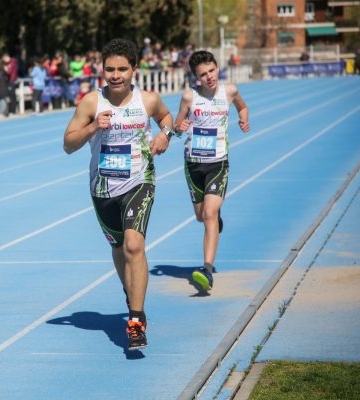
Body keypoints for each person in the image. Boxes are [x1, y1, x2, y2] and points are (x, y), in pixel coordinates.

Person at [63, 38, 174, 350]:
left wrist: (165, 135)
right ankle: (131, 291)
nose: (115, 75)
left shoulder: (148, 100)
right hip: (102, 188)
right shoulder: (90, 102)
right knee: (118, 247)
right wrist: (92, 128)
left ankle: (135, 320)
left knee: (134, 246)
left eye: (122, 69)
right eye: (109, 69)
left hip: (140, 181)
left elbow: (166, 119)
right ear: (102, 70)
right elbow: (68, 144)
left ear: (134, 70)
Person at [172, 50, 250, 292]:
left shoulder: (230, 91)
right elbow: (176, 126)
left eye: (212, 71)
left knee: (209, 214)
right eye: (203, 74)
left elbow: (243, 107)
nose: (209, 77)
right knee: (201, 216)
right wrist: (179, 126)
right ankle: (214, 219)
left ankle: (207, 268)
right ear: (196, 77)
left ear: (218, 68)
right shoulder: (188, 98)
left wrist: (243, 119)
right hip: (193, 164)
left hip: (218, 163)